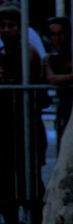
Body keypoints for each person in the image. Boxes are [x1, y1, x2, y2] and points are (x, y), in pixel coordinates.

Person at [0, 3, 45, 224]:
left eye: (12, 25)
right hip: (2, 125)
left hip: (26, 125)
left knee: (30, 179)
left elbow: (32, 86)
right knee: (4, 179)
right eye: (3, 26)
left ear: (20, 28)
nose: (7, 30)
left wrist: (7, 79)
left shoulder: (28, 51)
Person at [45, 16, 73, 151]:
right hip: (64, 110)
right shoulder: (50, 59)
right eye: (53, 34)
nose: (58, 39)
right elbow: (51, 78)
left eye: (61, 33)